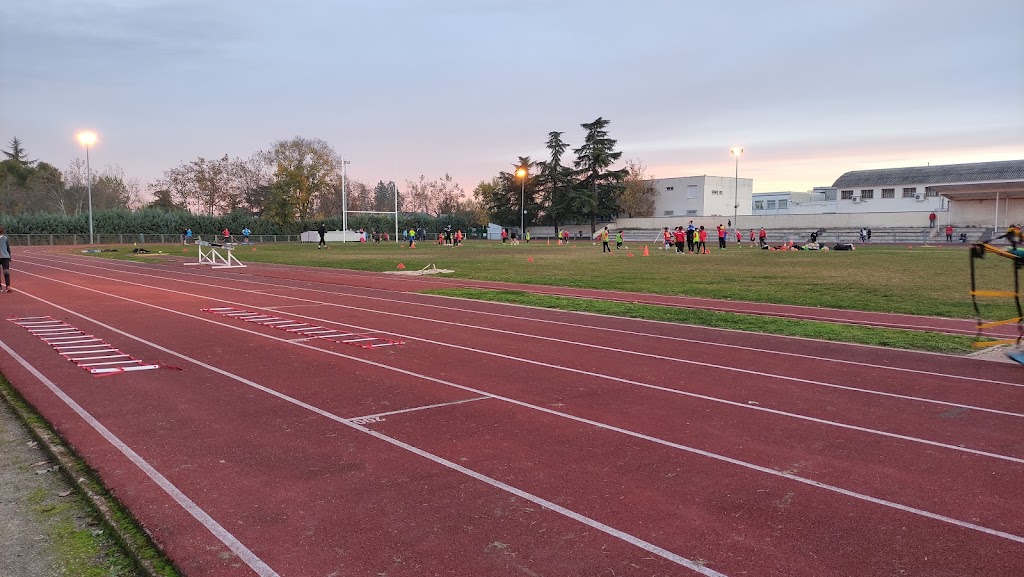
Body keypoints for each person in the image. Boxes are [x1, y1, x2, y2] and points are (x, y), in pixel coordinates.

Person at [0, 226, 11, 293]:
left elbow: (8, 248)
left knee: (6, 272)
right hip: (5, 257)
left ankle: (8, 286)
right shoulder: (5, 238)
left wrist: (9, 257)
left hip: (5, 257)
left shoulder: (5, 238)